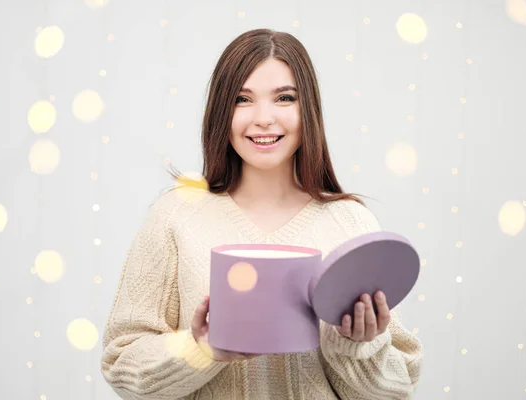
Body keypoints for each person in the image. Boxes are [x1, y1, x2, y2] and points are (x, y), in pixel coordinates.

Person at [101, 28, 423, 399]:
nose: (264, 118)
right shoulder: (175, 216)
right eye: (243, 99)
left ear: (309, 111)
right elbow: (121, 363)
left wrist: (357, 347)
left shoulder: (350, 223)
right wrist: (201, 350)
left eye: (284, 98)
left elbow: (397, 388)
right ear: (222, 111)